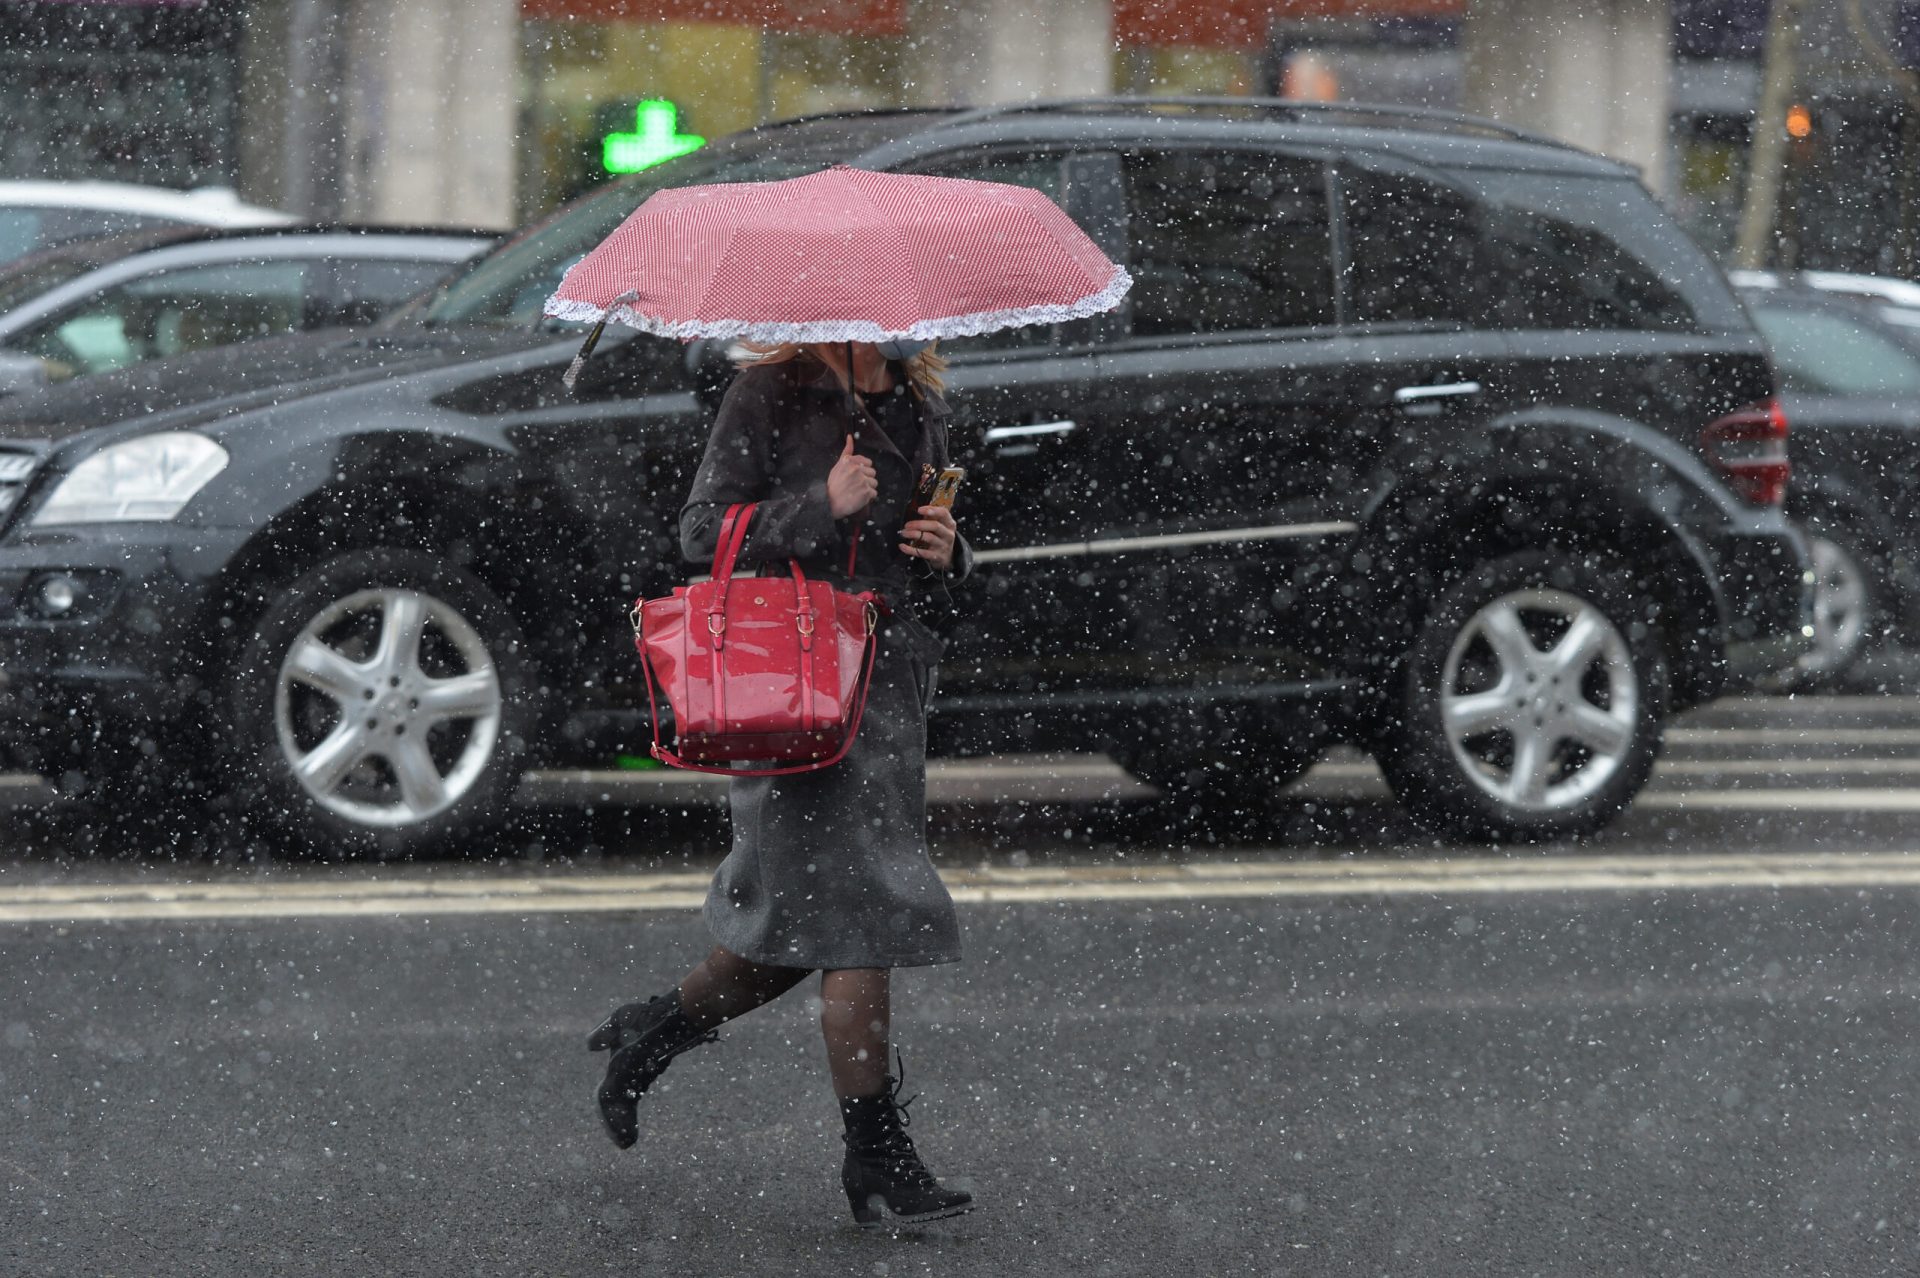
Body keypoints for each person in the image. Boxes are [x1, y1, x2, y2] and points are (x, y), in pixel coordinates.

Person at [587, 337, 976, 1228]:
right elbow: (699, 534)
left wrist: (947, 549)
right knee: (861, 924)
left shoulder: (918, 401)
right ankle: (875, 1158)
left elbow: (929, 567)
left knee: (796, 935)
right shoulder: (771, 390)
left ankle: (655, 1030)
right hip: (795, 687)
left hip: (887, 690)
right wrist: (817, 508)